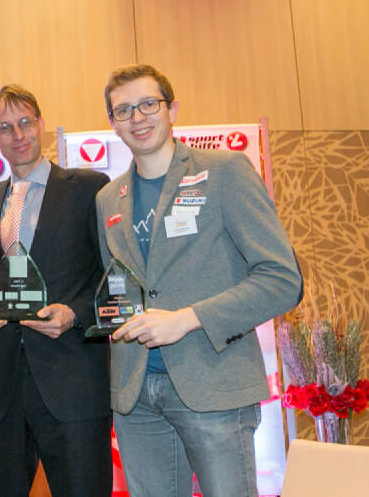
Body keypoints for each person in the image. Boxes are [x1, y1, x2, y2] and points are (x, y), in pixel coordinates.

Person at [96, 64, 302, 497]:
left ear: (172, 108)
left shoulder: (225, 171)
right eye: (124, 110)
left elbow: (282, 279)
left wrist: (187, 318)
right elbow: (118, 288)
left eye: (148, 104)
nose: (138, 118)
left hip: (214, 385)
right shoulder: (106, 199)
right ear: (112, 123)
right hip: (136, 394)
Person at [0, 85, 112, 497]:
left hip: (73, 380)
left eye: (26, 122)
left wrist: (76, 314)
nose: (19, 135)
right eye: (5, 127)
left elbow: (113, 277)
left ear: (41, 124)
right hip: (4, 386)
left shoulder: (89, 188)